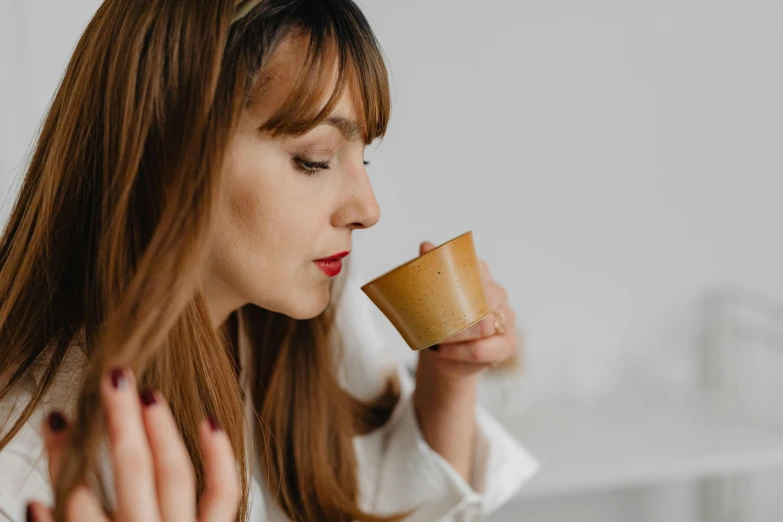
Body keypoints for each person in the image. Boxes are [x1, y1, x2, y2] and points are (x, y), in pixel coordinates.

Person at [0, 1, 538, 521]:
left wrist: (448, 381)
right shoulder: (25, 466)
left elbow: (381, 502)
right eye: (315, 160)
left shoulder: (309, 312)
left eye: (364, 156)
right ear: (169, 157)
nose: (368, 210)